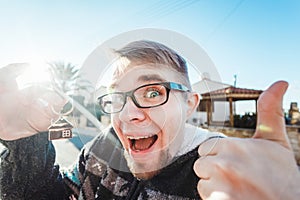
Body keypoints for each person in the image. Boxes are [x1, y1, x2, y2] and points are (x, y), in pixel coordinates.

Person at [0, 40, 299, 200]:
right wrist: (23, 142)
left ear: (190, 104)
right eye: (116, 98)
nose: (127, 113)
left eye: (153, 92)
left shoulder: (225, 172)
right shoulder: (100, 153)